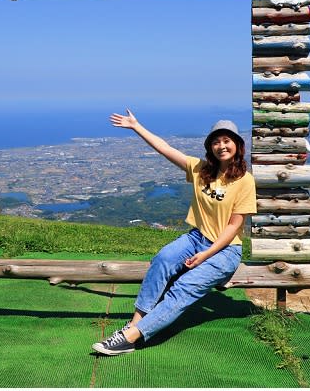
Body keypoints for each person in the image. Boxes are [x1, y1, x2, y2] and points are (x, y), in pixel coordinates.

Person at [92, 109, 256, 356]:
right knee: (163, 258)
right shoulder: (201, 169)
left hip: (225, 249)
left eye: (226, 140)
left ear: (237, 145)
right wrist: (137, 126)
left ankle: (130, 338)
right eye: (216, 141)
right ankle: (135, 322)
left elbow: (234, 226)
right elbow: (166, 149)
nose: (221, 146)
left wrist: (206, 255)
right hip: (196, 238)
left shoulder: (245, 180)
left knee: (184, 287)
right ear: (210, 146)